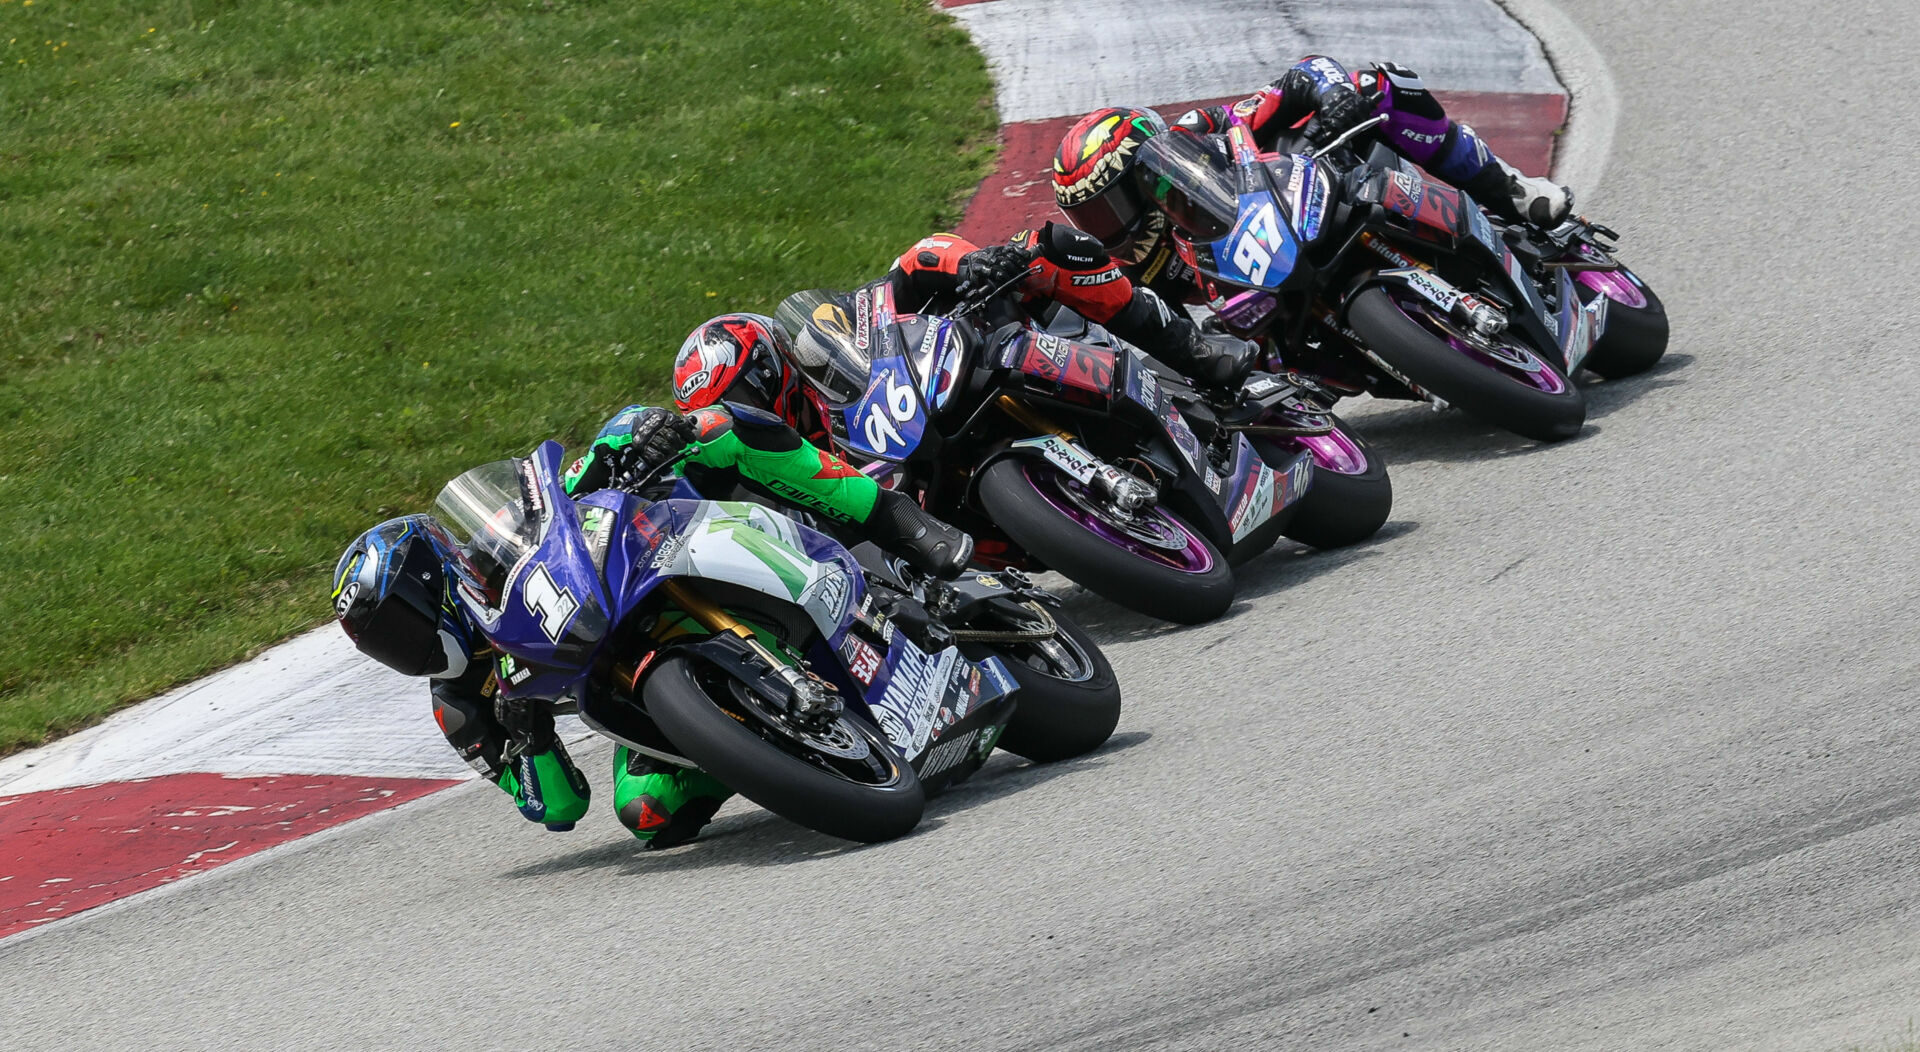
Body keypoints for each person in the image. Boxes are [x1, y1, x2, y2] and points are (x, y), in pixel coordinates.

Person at [332, 314, 974, 849]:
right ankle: (781, 745)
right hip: (630, 687)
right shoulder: (460, 707)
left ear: (433, 580)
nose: (404, 648)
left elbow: (560, 495)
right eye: (381, 643)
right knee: (646, 810)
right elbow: (558, 806)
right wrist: (524, 736)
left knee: (714, 435)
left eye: (399, 624)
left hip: (647, 565)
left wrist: (629, 440)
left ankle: (893, 518)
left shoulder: (489, 554)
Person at [1050, 56, 1576, 305]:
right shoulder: (1138, 272)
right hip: (1284, 309)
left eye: (1114, 204)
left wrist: (1331, 99)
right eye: (1092, 216)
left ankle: (1512, 190)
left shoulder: (1202, 132)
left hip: (1326, 192)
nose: (1110, 225)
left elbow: (1298, 77)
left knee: (1377, 84)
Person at [887, 224, 1258, 393]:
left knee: (1043, 251)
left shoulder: (867, 314)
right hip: (939, 406)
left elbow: (921, 254)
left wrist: (975, 262)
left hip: (1005, 334)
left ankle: (1194, 351)